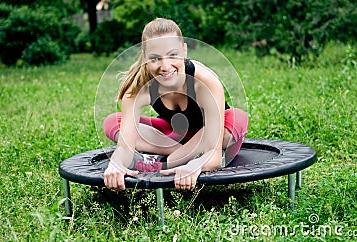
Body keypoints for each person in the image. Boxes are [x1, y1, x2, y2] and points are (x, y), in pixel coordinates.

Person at [103, 18, 248, 191]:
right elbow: (125, 148)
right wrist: (116, 163)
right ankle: (179, 155)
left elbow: (214, 156)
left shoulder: (204, 82)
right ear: (145, 57)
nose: (165, 66)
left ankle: (172, 158)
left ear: (184, 50)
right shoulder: (138, 89)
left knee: (236, 117)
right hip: (173, 135)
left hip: (210, 135)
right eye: (155, 58)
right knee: (114, 121)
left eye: (173, 55)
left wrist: (197, 165)